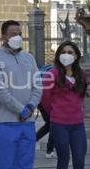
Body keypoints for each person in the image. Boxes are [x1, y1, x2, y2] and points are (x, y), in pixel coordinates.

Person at [0, 20, 42, 169]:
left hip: (27, 123)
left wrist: (30, 106)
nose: (17, 37)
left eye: (20, 34)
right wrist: (20, 109)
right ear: (4, 36)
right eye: (13, 34)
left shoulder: (29, 58)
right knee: (5, 164)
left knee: (26, 164)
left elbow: (38, 85)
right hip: (5, 122)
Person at [41, 41, 87, 169]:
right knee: (63, 160)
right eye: (63, 52)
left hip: (78, 124)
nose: (66, 55)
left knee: (79, 160)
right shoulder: (52, 74)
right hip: (59, 124)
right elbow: (45, 99)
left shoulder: (81, 75)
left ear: (76, 56)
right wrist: (56, 112)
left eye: (70, 52)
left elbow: (81, 95)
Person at [36, 65, 56, 159]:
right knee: (53, 125)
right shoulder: (55, 72)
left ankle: (32, 141)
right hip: (47, 103)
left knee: (49, 125)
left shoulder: (45, 69)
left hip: (40, 102)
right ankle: (49, 150)